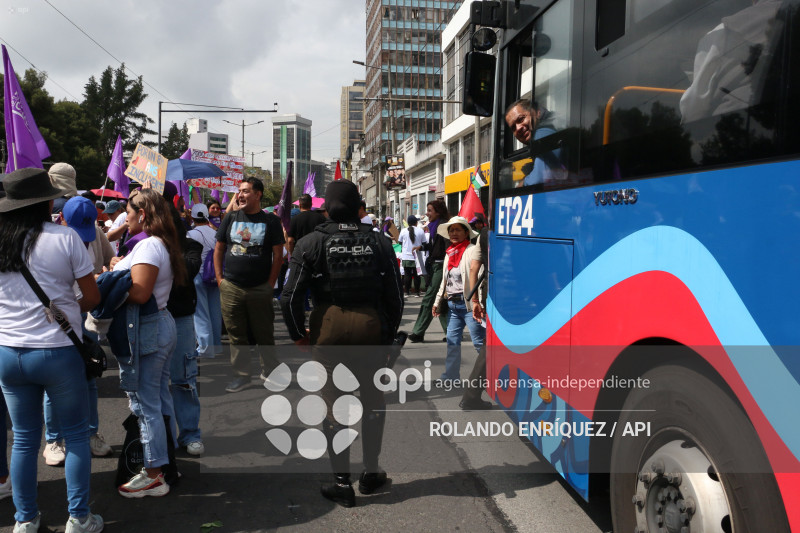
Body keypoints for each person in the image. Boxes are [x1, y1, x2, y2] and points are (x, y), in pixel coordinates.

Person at [281, 180, 403, 508]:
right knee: (374, 400)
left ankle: (340, 482)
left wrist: (298, 335)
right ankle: (371, 472)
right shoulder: (379, 241)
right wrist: (388, 337)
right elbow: (395, 296)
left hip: (328, 329)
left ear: (327, 207)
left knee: (335, 405)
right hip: (370, 328)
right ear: (357, 205)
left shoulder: (310, 243)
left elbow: (289, 297)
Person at [0, 168, 104, 532]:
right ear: (46, 201)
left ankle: (24, 521)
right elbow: (91, 298)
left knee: (25, 440)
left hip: (8, 353)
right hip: (58, 351)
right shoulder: (65, 238)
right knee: (75, 435)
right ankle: (79, 518)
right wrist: (64, 306)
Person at [113, 188, 187, 498]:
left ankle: (154, 473)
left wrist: (107, 284)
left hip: (147, 329)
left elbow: (140, 292)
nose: (124, 217)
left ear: (142, 215)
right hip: (156, 326)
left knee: (146, 404)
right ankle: (165, 464)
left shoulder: (148, 247)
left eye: (128, 212)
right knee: (158, 398)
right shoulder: (156, 244)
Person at [41, 197, 114, 469]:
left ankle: (91, 433)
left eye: (87, 233)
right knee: (53, 383)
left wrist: (112, 265)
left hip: (84, 316)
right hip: (53, 321)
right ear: (62, 220)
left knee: (89, 376)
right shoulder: (49, 236)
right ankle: (54, 439)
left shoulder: (95, 232)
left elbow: (109, 258)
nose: (83, 240)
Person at [214, 177, 285, 393]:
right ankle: (242, 376)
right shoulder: (231, 217)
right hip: (232, 287)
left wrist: (270, 284)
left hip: (260, 288)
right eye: (239, 191)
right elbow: (219, 249)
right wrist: (220, 280)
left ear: (258, 194)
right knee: (236, 334)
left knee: (264, 333)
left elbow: (278, 255)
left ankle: (270, 372)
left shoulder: (270, 221)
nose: (240, 195)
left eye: (245, 191)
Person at [166, 202, 204, 457]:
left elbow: (187, 271)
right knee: (150, 384)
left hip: (180, 318)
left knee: (183, 380)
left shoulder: (191, 247)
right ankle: (160, 436)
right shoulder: (138, 245)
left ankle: (189, 433)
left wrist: (161, 253)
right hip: (147, 318)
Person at [432, 216, 485, 382]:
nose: (454, 233)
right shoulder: (449, 253)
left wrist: (479, 303)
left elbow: (479, 279)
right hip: (453, 306)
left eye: (458, 230)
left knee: (479, 344)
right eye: (451, 230)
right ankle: (451, 376)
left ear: (466, 233)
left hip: (469, 305)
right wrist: (437, 302)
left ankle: (496, 377)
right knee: (452, 343)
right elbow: (444, 281)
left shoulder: (472, 251)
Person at [407, 200, 450, 343]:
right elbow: (434, 247)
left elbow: (448, 250)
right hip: (434, 267)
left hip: (442, 267)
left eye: (430, 210)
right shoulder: (433, 226)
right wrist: (422, 248)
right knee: (440, 300)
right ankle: (451, 332)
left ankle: (418, 332)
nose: (427, 213)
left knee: (429, 299)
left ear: (438, 212)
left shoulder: (444, 226)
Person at [460, 224, 492, 410]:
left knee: (491, 344)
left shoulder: (486, 233)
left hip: (493, 292)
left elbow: (474, 269)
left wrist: (475, 301)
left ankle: (471, 396)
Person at [187, 204, 222, 360]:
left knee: (201, 313)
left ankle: (205, 348)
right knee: (215, 311)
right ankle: (216, 346)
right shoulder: (216, 233)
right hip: (215, 275)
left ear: (193, 217)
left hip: (198, 276)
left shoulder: (191, 234)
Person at [504, 99, 560, 187]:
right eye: (513, 128)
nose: (518, 128)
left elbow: (539, 179)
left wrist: (520, 186)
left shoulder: (542, 132)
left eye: (521, 119)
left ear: (537, 113)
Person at [398, 215, 425, 297]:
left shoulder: (403, 231)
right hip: (417, 256)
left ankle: (407, 292)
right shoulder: (420, 231)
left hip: (406, 256)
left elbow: (400, 242)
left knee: (407, 274)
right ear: (416, 222)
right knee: (417, 275)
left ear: (408, 223)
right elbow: (424, 243)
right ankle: (417, 292)